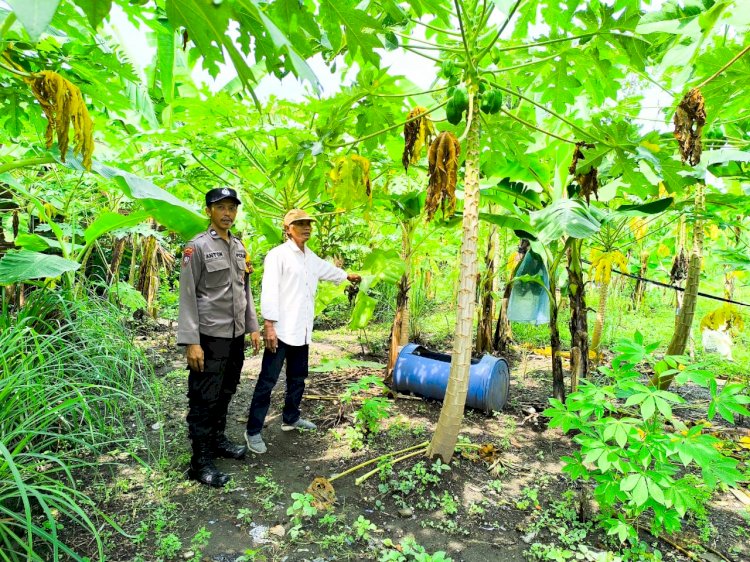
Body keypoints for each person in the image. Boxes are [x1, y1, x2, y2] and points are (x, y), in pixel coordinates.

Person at [244, 209, 361, 454]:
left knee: (297, 378)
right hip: (281, 330)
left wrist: (346, 276)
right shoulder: (278, 255)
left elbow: (328, 270)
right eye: (299, 224)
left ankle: (291, 418)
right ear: (288, 229)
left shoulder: (309, 256)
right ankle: (253, 430)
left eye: (308, 223)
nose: (306, 227)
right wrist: (269, 326)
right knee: (268, 381)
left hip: (302, 329)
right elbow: (270, 291)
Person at [177, 187, 261, 487]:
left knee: (226, 391)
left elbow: (245, 290)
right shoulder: (196, 247)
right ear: (209, 211)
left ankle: (217, 441)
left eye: (232, 208)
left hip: (235, 335)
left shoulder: (239, 247)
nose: (228, 213)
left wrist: (253, 326)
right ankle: (200, 462)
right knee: (204, 398)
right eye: (221, 207)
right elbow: (187, 297)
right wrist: (192, 342)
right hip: (209, 337)